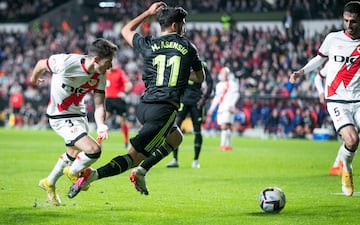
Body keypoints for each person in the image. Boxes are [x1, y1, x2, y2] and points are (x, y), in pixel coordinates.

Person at [67, 2, 204, 198]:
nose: (184, 27)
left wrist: (148, 13)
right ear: (175, 26)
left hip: (144, 107)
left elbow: (125, 30)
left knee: (176, 137)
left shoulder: (150, 44)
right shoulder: (188, 47)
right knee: (134, 157)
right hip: (164, 110)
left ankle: (141, 172)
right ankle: (92, 176)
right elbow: (200, 78)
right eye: (183, 24)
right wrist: (183, 74)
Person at [30, 38, 118, 205]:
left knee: (72, 155)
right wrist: (35, 79)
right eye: (109, 61)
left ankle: (48, 183)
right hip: (60, 117)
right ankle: (74, 173)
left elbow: (99, 105)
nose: (111, 66)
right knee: (93, 150)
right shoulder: (66, 62)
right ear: (96, 59)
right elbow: (42, 63)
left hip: (79, 116)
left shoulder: (100, 75)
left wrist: (101, 125)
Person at [289, 1, 360, 196]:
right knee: (352, 140)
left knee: (353, 141)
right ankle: (346, 167)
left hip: (359, 99)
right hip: (337, 99)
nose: (348, 25)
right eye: (346, 21)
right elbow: (319, 59)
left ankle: (343, 159)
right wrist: (301, 72)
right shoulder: (333, 38)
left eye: (353, 21)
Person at [166, 61, 213, 169]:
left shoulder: (201, 64)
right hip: (182, 101)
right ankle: (174, 159)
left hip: (196, 102)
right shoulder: (182, 62)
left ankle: (196, 160)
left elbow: (210, 83)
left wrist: (204, 98)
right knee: (174, 128)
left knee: (197, 130)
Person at [314, 62, 343, 176]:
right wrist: (321, 93)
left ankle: (338, 165)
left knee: (352, 138)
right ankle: (338, 165)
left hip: (354, 102)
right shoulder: (335, 61)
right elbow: (318, 78)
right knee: (350, 136)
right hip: (339, 103)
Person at [207, 67, 240, 151]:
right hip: (221, 108)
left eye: (223, 73)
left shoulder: (232, 84)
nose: (222, 74)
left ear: (228, 74)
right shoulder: (219, 85)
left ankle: (222, 145)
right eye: (221, 73)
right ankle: (228, 145)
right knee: (227, 127)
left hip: (228, 107)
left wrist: (232, 104)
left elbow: (236, 95)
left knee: (224, 126)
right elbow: (217, 98)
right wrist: (211, 108)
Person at [105, 60, 132, 148]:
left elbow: (128, 84)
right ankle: (99, 142)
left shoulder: (119, 72)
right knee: (103, 121)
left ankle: (126, 142)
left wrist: (125, 92)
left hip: (118, 99)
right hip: (108, 99)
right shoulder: (103, 73)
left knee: (122, 121)